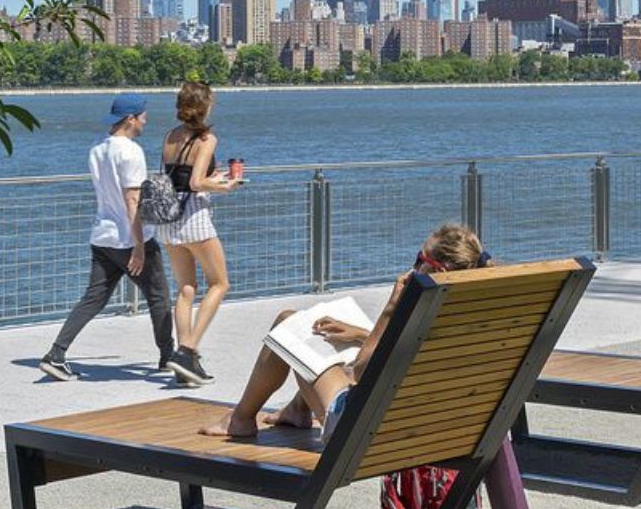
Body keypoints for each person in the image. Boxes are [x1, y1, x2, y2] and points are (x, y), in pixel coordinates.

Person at [200, 223, 487, 440]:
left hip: (361, 430)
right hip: (425, 426)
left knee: (287, 325)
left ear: (436, 270)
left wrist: (391, 308)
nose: (413, 266)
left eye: (419, 259)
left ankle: (240, 419)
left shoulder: (417, 310)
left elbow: (363, 371)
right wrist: (361, 333)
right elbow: (408, 349)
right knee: (307, 327)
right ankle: (296, 410)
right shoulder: (466, 318)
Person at [39, 93, 175, 381]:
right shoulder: (131, 151)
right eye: (143, 115)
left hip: (103, 236)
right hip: (129, 238)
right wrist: (139, 246)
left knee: (93, 298)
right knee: (159, 295)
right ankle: (168, 357)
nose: (145, 120)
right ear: (131, 119)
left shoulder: (97, 149)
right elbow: (132, 200)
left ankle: (56, 354)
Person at [158, 81, 242, 388]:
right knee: (220, 283)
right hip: (194, 216)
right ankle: (188, 350)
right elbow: (194, 183)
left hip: (168, 220)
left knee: (186, 289)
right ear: (205, 106)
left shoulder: (169, 136)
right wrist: (224, 185)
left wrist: (210, 178)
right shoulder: (207, 139)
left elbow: (177, 176)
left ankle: (186, 363)